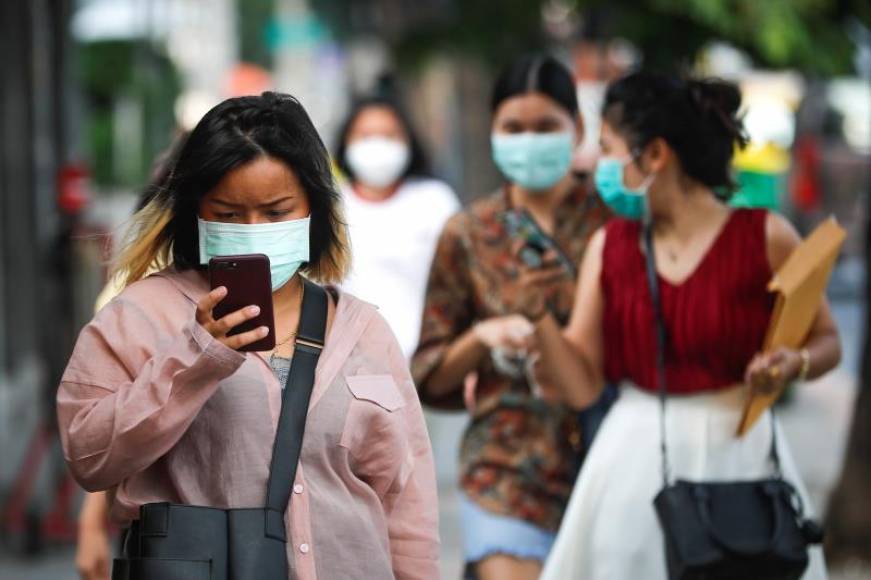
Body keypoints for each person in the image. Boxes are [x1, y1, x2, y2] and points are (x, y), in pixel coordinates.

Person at [57, 92, 439, 580]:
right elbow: (89, 456)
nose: (254, 229)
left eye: (276, 212)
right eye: (230, 215)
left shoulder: (364, 329)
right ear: (195, 213)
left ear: (313, 211)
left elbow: (407, 505)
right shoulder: (136, 318)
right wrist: (197, 360)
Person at [530, 72, 840, 579]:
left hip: (744, 458)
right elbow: (583, 382)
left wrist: (794, 363)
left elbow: (828, 340)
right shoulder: (610, 247)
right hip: (632, 464)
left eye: (608, 150)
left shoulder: (766, 236)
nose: (598, 168)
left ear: (654, 155)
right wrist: (536, 321)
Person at [411, 55, 610, 580]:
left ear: (578, 128)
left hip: (611, 458)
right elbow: (427, 373)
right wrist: (482, 337)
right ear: (493, 132)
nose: (529, 140)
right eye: (513, 128)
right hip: (505, 463)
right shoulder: (470, 233)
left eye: (546, 126)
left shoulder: (614, 223)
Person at [74, 132, 187, 580]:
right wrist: (90, 526)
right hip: (160, 523)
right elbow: (106, 421)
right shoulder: (134, 294)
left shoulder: (296, 287)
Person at [335, 95, 459, 358]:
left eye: (390, 135)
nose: (378, 145)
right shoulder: (329, 207)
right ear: (346, 142)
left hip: (430, 362)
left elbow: (461, 283)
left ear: (408, 141)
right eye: (366, 136)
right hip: (351, 366)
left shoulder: (435, 201)